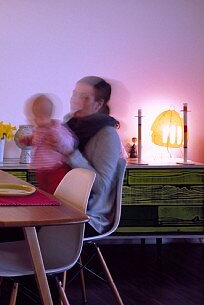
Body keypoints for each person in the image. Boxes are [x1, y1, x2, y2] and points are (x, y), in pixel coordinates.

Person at [65, 76, 125, 235]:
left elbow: (101, 186)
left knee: (15, 227)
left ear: (98, 104)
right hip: (64, 206)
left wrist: (70, 153)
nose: (75, 101)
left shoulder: (107, 135)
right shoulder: (70, 126)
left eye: (84, 97)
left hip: (90, 217)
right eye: (74, 94)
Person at [17, 94, 76, 194]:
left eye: (36, 117)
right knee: (44, 192)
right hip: (41, 169)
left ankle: (54, 206)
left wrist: (57, 139)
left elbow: (69, 144)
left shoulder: (57, 129)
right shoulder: (39, 130)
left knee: (56, 192)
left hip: (56, 168)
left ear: (46, 116)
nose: (33, 120)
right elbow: (36, 140)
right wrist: (28, 140)